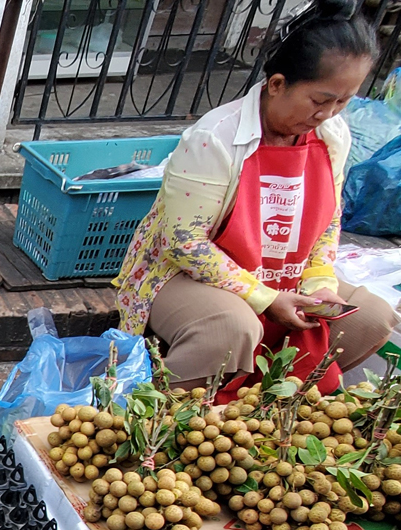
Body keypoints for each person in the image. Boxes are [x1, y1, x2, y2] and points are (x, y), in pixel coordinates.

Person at [113, 0, 398, 394]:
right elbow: (184, 244)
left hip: (281, 270)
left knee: (372, 319)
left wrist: (318, 283)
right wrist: (264, 297)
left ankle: (266, 403)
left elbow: (329, 219)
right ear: (278, 84)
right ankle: (166, 410)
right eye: (319, 100)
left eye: (343, 101)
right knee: (232, 328)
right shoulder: (217, 137)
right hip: (181, 273)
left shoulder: (332, 135)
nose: (329, 113)